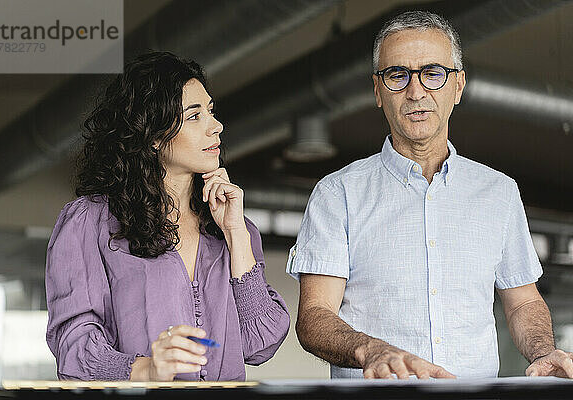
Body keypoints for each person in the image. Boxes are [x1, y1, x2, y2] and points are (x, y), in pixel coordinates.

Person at [287, 10, 573, 379]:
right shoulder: (337, 194)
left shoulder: (499, 192)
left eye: (433, 73)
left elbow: (523, 303)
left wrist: (544, 351)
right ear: (377, 90)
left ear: (458, 86)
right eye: (397, 75)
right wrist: (372, 350)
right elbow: (314, 318)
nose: (416, 91)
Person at [46, 51, 290, 381]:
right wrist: (146, 369)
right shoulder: (89, 223)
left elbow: (260, 344)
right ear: (154, 134)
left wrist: (236, 235)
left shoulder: (234, 227)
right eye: (194, 116)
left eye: (211, 112)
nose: (216, 126)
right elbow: (74, 348)